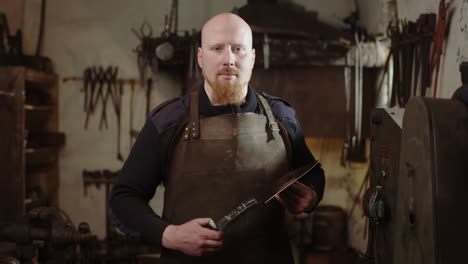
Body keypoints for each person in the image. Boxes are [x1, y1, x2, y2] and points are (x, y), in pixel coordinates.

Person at [109, 12, 325, 264]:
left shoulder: (282, 118)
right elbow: (123, 199)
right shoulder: (169, 121)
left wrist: (311, 195)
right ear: (201, 57)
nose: (229, 59)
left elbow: (312, 173)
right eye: (217, 48)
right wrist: (169, 234)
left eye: (238, 49)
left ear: (252, 57)